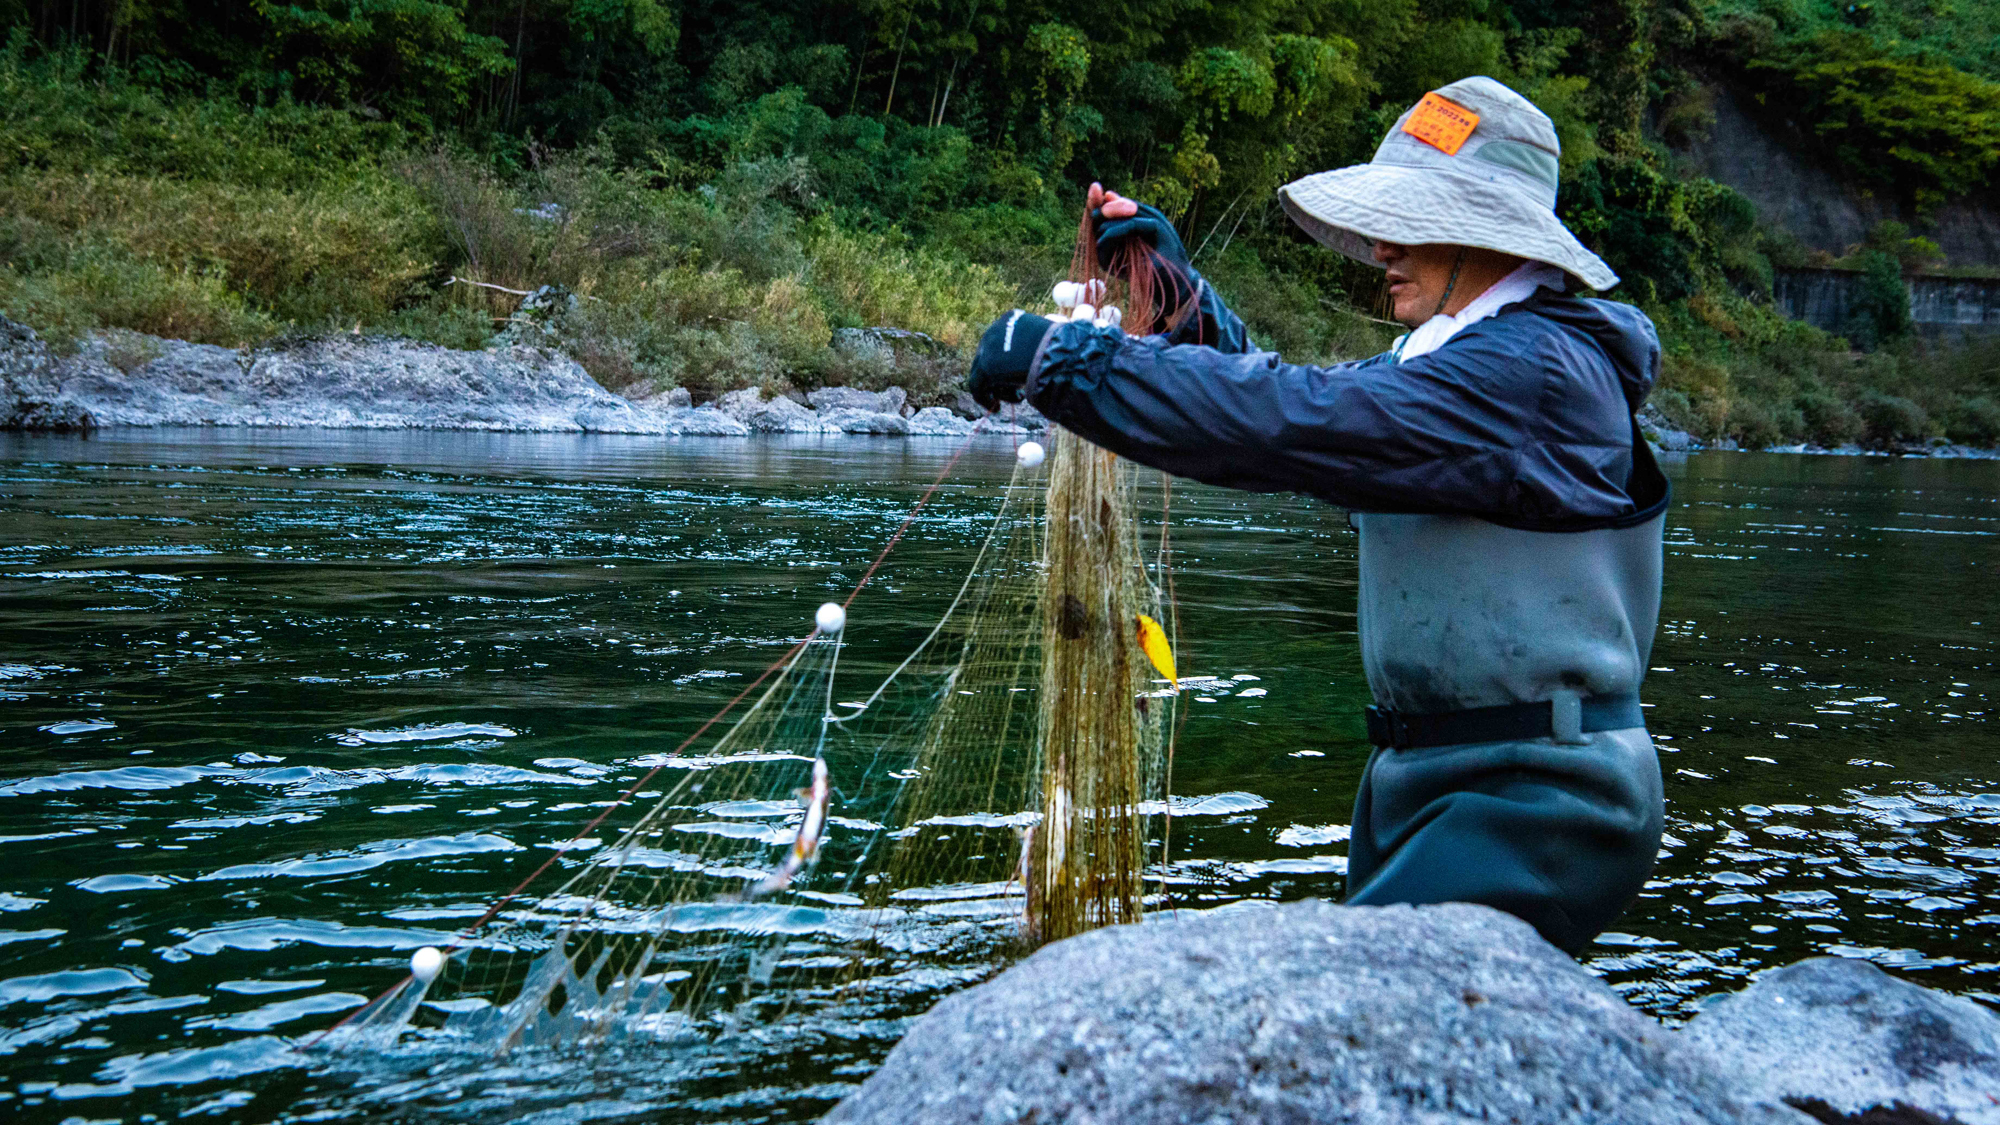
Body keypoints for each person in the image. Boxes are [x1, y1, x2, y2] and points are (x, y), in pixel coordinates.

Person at [966, 76, 1668, 955]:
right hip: (1425, 780)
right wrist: (1179, 301)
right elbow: (1317, 420)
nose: (1381, 247)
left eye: (1411, 220)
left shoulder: (1532, 372)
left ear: (1487, 232)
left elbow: (1297, 424)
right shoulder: (1469, 357)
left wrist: (1070, 360)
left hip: (1539, 797)